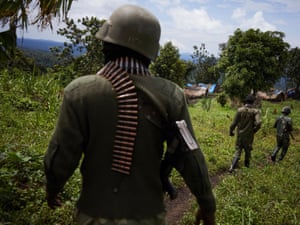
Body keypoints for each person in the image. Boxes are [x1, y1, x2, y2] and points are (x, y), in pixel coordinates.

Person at [44, 4, 216, 225]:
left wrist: (52, 188)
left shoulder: (79, 91)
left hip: (94, 214)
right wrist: (207, 205)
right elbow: (190, 156)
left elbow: (62, 155)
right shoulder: (171, 94)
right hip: (148, 216)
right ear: (151, 51)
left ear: (108, 44)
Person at [228, 95, 262, 172]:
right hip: (249, 135)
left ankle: (232, 167)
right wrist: (254, 130)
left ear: (245, 102)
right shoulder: (255, 111)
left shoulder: (240, 110)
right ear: (253, 102)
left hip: (240, 134)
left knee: (238, 150)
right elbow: (259, 122)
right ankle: (246, 168)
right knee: (248, 150)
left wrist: (231, 131)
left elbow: (234, 123)